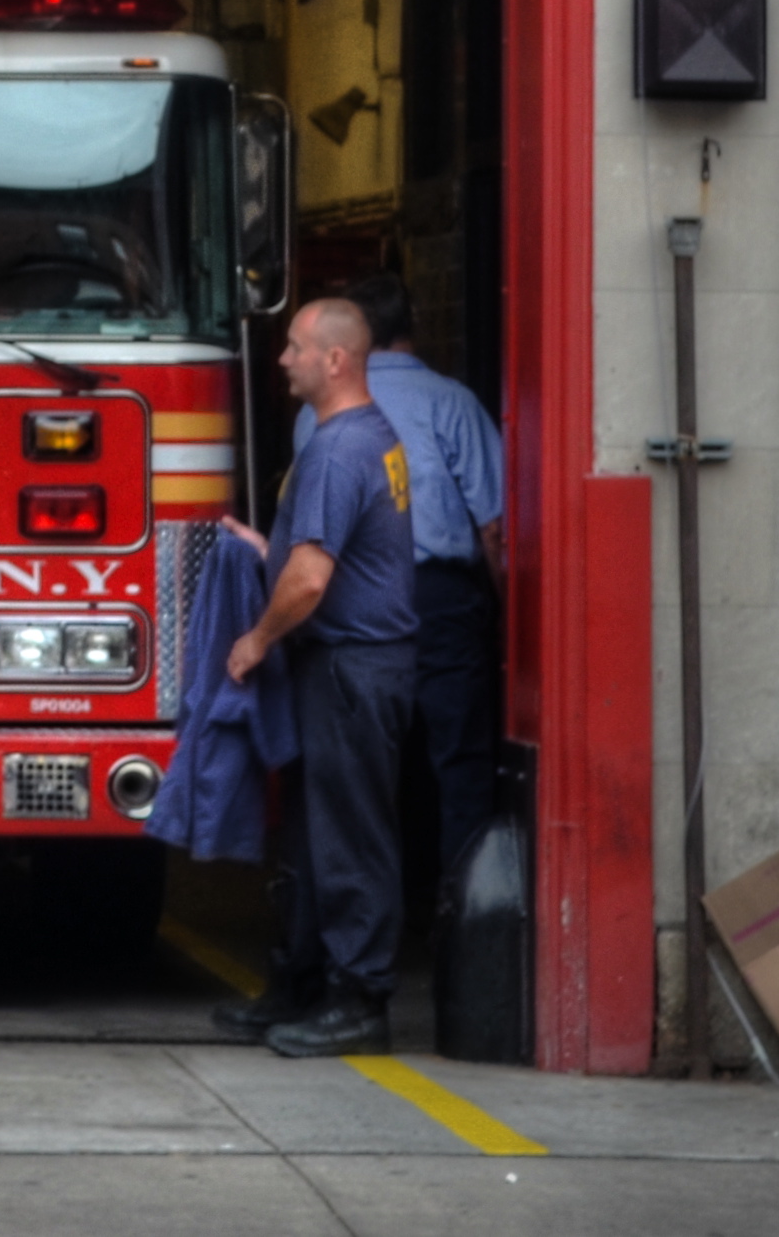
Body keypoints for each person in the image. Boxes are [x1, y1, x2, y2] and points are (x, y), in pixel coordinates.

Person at [219, 291, 421, 1058]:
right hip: (349, 667)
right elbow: (317, 554)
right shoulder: (365, 437)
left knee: (350, 835)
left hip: (350, 669)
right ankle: (302, 980)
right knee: (310, 833)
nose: (281, 358)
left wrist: (255, 640)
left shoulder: (338, 448)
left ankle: (358, 998)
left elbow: (309, 579)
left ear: (333, 359)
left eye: (295, 345)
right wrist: (262, 544)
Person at [347, 273, 510, 904]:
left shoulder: (324, 414)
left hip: (355, 602)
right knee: (459, 761)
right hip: (441, 599)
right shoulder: (451, 401)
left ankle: (371, 924)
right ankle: (462, 922)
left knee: (365, 768)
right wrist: (505, 616)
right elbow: (495, 527)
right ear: (411, 326)